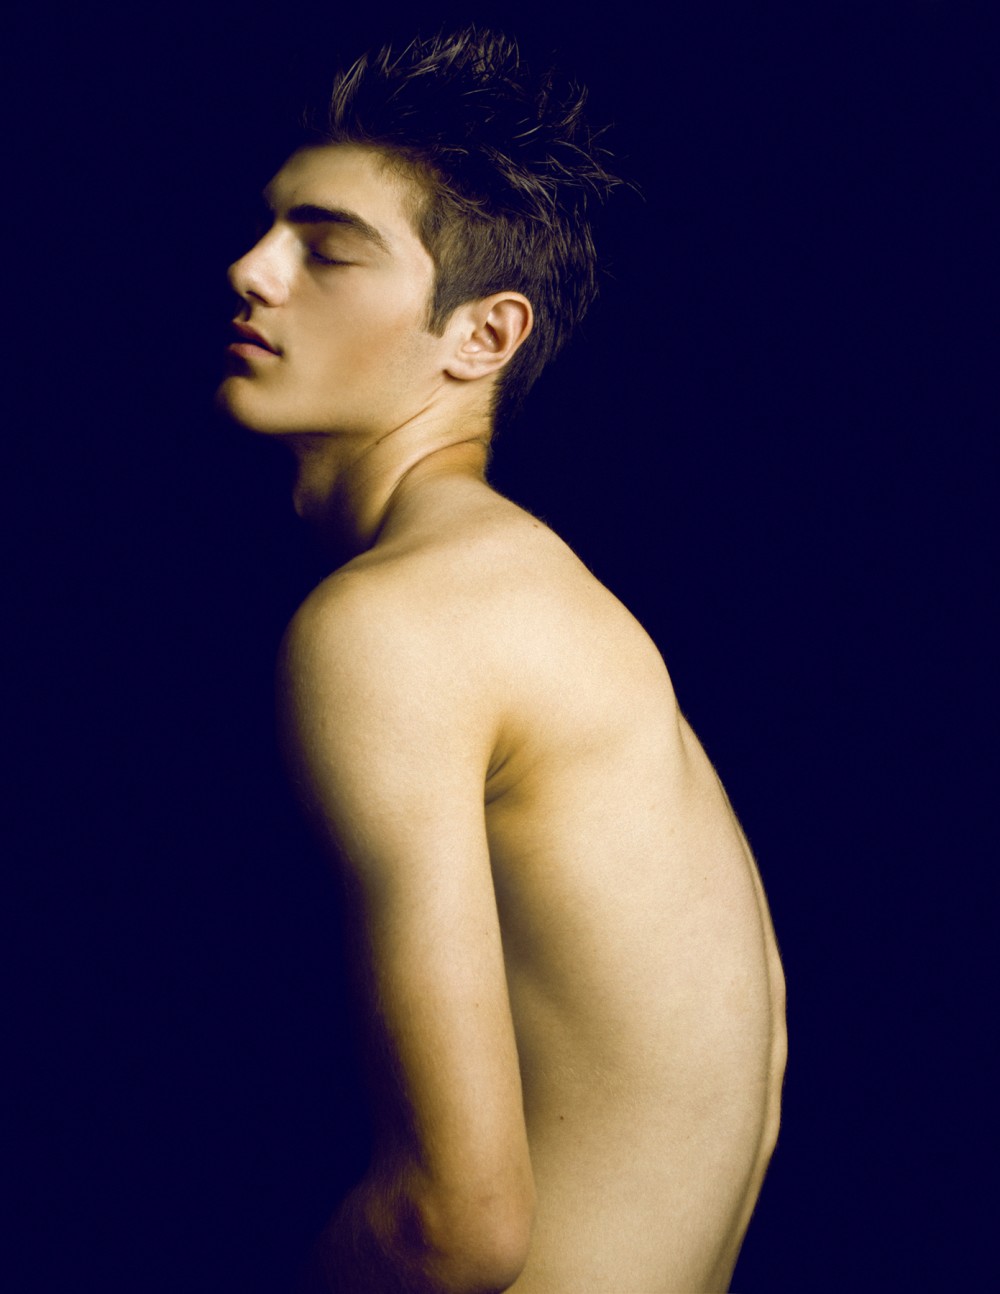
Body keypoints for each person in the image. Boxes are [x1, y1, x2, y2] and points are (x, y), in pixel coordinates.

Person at [217, 27, 786, 1294]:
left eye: (325, 248)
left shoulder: (394, 624)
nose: (249, 269)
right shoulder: (566, 620)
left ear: (482, 335)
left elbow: (453, 1225)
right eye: (266, 229)